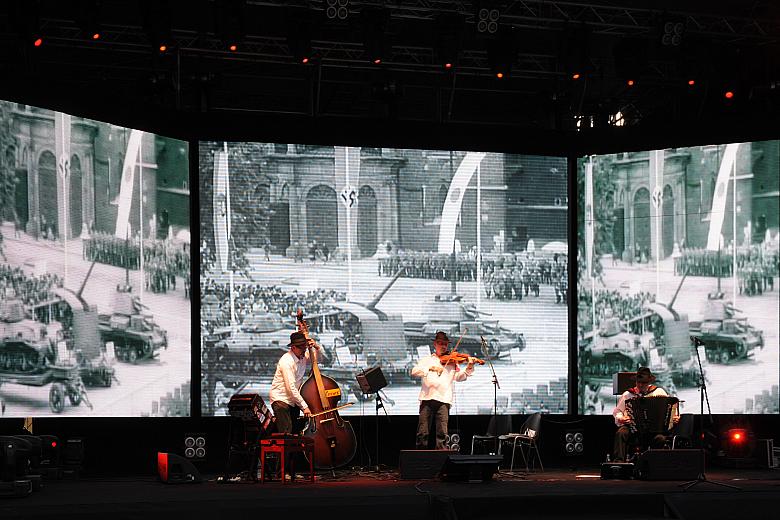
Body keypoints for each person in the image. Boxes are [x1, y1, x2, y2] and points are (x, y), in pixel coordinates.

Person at [411, 331, 476, 449]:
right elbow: (414, 371)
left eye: (445, 344)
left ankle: (441, 458)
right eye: (440, 343)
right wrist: (431, 368)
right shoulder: (427, 360)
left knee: (442, 433)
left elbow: (459, 377)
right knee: (422, 432)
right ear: (435, 344)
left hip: (444, 399)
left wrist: (469, 367)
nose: (443, 346)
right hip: (427, 399)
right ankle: (420, 456)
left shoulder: (452, 361)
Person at [612, 367, 680, 462]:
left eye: (643, 382)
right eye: (638, 382)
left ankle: (656, 465)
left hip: (654, 431)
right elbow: (617, 411)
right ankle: (619, 463)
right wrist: (621, 418)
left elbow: (670, 407)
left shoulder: (659, 392)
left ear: (648, 382)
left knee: (660, 439)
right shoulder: (628, 394)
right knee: (621, 433)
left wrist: (674, 417)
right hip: (633, 429)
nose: (640, 385)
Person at [268, 331, 320, 435]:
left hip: (293, 400)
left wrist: (317, 347)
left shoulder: (302, 357)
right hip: (281, 399)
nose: (304, 350)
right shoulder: (287, 361)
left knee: (295, 432)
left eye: (304, 347)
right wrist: (305, 407)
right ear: (293, 347)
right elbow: (290, 388)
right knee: (286, 433)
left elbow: (316, 360)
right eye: (301, 347)